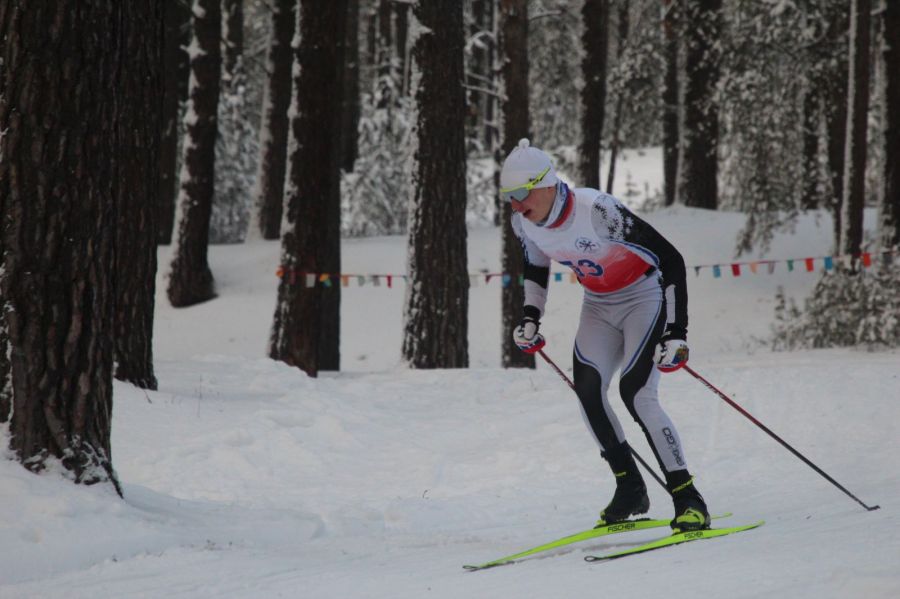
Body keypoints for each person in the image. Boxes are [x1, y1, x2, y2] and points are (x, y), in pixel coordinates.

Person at [500, 138, 710, 532]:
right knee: (588, 390)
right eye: (507, 195)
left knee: (636, 393)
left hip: (643, 297)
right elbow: (536, 266)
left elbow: (670, 259)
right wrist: (531, 315)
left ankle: (687, 497)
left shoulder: (597, 210)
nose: (515, 203)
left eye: (520, 193)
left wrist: (676, 332)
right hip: (598, 304)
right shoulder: (523, 222)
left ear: (545, 183)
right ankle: (630, 488)